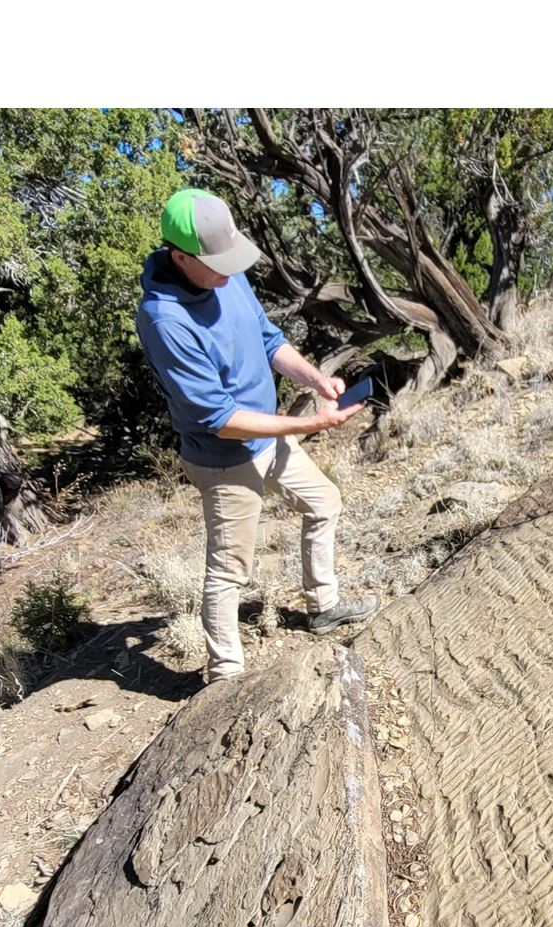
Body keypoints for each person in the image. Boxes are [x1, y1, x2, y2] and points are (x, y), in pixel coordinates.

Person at [136, 188, 380, 682]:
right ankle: (225, 676)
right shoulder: (165, 320)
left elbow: (268, 338)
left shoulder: (226, 271)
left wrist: (315, 379)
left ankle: (324, 605)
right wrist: (309, 424)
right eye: (216, 262)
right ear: (180, 257)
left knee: (324, 503)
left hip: (269, 437)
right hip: (223, 456)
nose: (228, 269)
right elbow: (220, 418)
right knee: (230, 570)